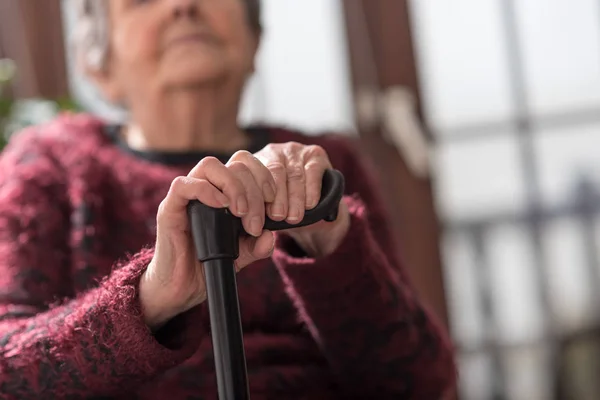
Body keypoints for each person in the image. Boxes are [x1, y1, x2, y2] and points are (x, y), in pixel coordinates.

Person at [0, 0, 456, 398]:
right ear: (99, 66)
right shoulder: (52, 165)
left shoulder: (326, 165)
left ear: (254, 38)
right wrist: (149, 298)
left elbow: (421, 382)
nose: (183, 4)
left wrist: (329, 242)